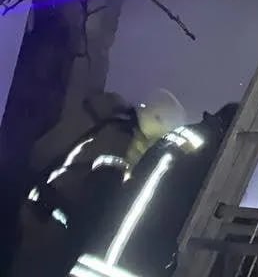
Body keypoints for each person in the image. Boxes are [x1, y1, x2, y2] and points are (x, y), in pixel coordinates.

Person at [10, 89, 185, 277]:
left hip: (40, 210)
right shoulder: (121, 140)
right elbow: (101, 193)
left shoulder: (114, 124)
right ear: (158, 122)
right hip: (50, 220)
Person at [71, 101, 239, 277]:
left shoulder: (191, 136)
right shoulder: (207, 147)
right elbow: (159, 196)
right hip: (126, 255)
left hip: (114, 246)